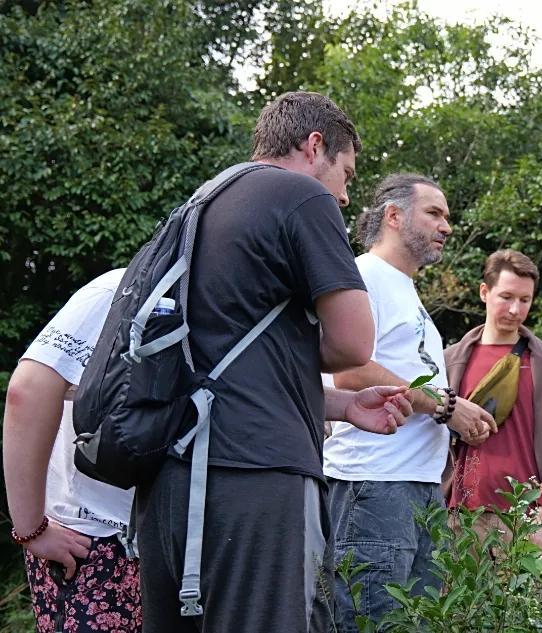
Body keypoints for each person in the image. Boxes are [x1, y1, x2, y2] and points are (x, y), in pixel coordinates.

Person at [136, 91, 402, 633]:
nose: (344, 195)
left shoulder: (202, 203)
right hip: (257, 478)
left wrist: (341, 405)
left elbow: (228, 357)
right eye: (346, 175)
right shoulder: (301, 195)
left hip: (170, 476)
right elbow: (354, 344)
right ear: (314, 145)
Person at [324, 173, 497, 631]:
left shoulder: (403, 288)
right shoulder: (364, 276)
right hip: (374, 483)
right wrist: (447, 407)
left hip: (416, 487)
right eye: (434, 213)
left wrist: (455, 414)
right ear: (394, 216)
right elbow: (349, 370)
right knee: (371, 622)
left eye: (447, 216)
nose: (447, 226)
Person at [4, 269, 141, 633]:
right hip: (93, 545)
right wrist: (31, 529)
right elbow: (28, 391)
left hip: (162, 546)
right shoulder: (121, 289)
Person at [443, 249, 542, 556]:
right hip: (457, 517)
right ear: (484, 292)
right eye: (506, 297)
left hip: (524, 518)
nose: (515, 309)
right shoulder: (449, 362)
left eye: (524, 300)